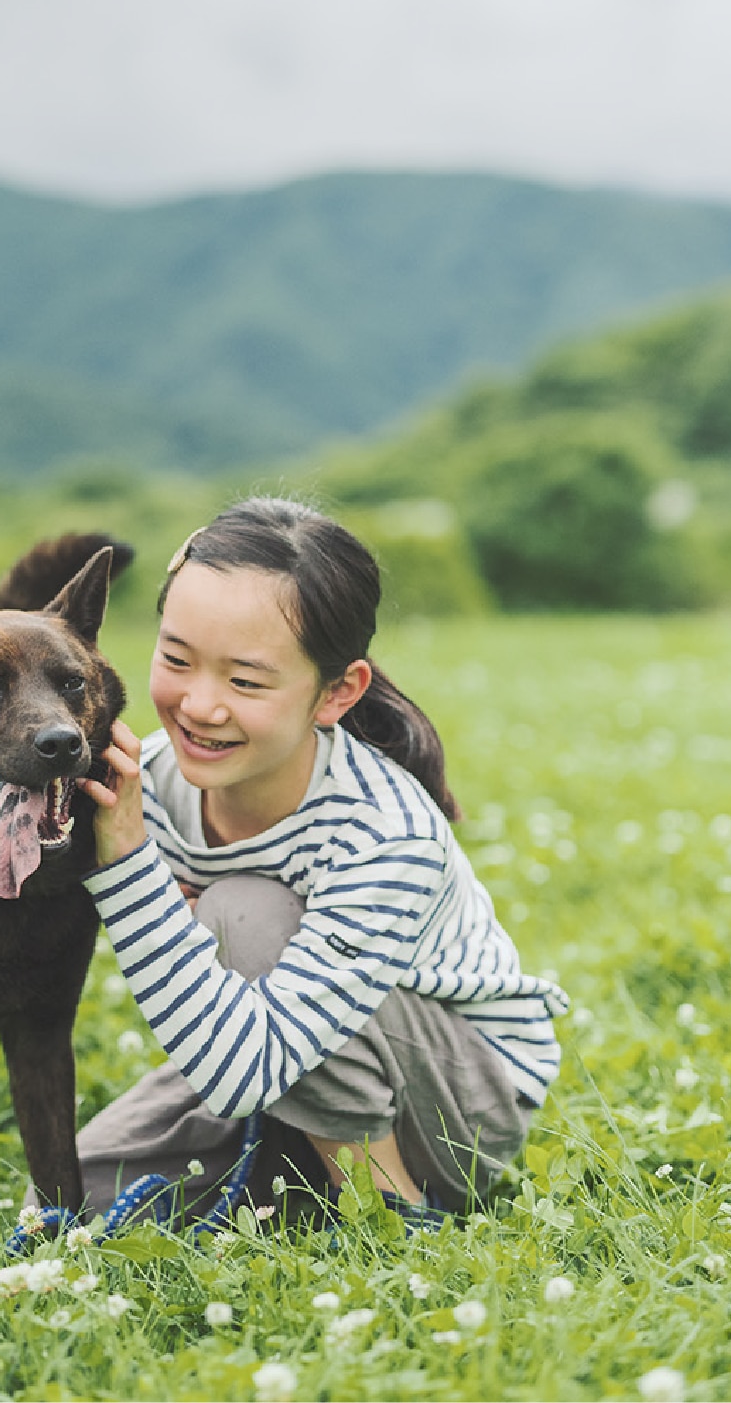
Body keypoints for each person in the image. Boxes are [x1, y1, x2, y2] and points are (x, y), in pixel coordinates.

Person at [74, 496, 568, 1230]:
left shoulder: (381, 829)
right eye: (176, 659)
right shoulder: (146, 784)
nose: (199, 704)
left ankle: (394, 1211)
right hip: (276, 1045)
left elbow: (241, 1068)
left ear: (337, 690)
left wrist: (128, 867)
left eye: (245, 681)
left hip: (458, 1102)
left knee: (245, 909)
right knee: (70, 1197)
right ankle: (292, 1166)